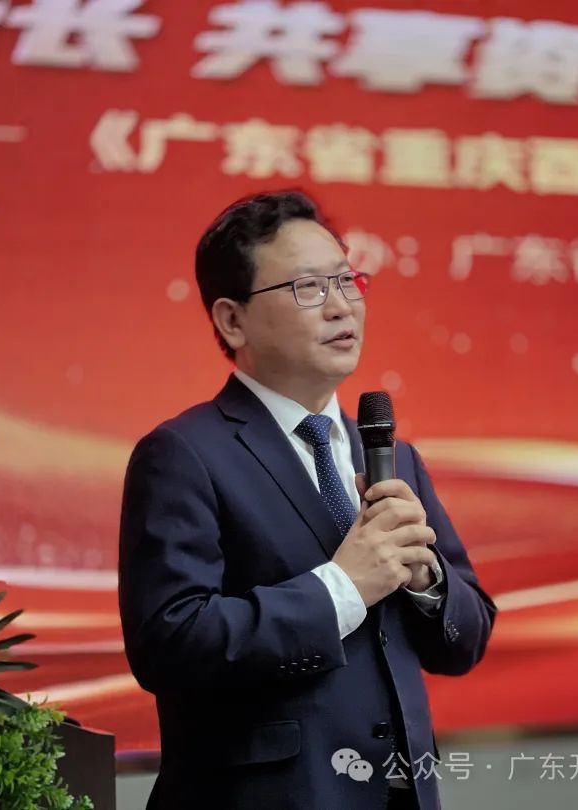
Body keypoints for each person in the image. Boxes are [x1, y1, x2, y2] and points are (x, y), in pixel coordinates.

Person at [119, 190, 497, 810]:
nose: (341, 305)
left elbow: (467, 638)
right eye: (308, 288)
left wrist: (426, 579)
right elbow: (171, 645)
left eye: (347, 282)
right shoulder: (184, 454)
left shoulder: (393, 455)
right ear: (232, 320)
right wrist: (343, 588)